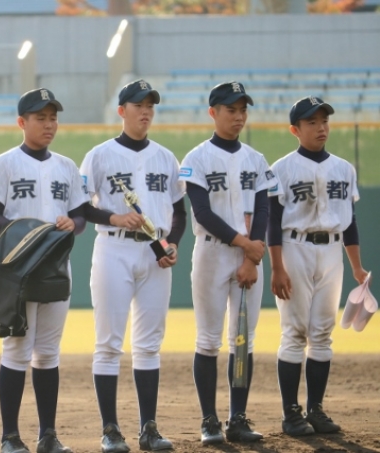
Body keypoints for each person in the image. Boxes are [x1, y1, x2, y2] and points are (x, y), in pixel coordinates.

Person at [78, 79, 186, 453]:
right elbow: (81, 207)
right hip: (114, 249)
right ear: (122, 111)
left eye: (150, 105)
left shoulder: (166, 158)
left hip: (154, 252)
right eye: (139, 105)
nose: (146, 111)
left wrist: (172, 244)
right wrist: (113, 217)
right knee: (109, 343)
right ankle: (110, 430)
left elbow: (180, 213)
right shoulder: (99, 155)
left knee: (149, 344)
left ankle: (148, 429)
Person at [0, 88, 88, 453]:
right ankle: (10, 437)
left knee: (48, 353)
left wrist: (72, 224)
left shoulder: (67, 167)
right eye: (40, 118)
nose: (48, 124)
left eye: (53, 118)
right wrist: (28, 229)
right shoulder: (5, 164)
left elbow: (80, 216)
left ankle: (48, 436)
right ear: (22, 122)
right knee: (16, 350)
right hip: (18, 269)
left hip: (56, 267)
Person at [178, 82, 277, 445]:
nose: (238, 116)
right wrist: (246, 245)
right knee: (208, 340)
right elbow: (202, 213)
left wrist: (252, 254)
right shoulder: (196, 158)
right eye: (231, 110)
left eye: (242, 110)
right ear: (213, 113)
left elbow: (264, 208)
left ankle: (238, 418)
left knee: (243, 340)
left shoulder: (256, 159)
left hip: (250, 254)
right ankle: (209, 420)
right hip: (212, 253)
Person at [267, 96, 368, 436]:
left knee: (323, 332)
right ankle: (290, 413)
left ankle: (316, 410)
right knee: (294, 331)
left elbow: (350, 222)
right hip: (294, 248)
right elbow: (273, 222)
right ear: (295, 129)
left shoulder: (344, 169)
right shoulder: (281, 169)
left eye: (324, 120)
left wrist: (356, 267)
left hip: (332, 252)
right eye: (312, 122)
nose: (321, 127)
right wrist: (277, 267)